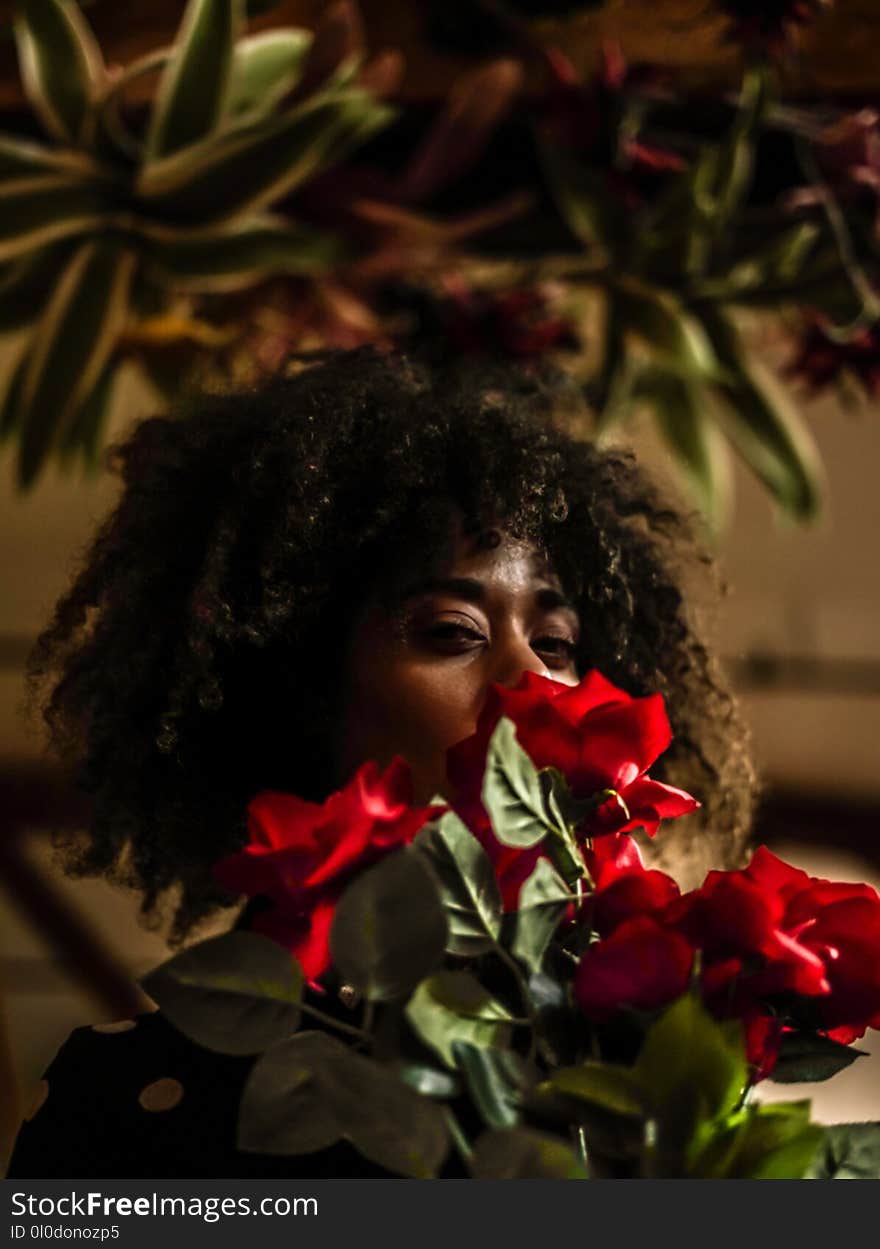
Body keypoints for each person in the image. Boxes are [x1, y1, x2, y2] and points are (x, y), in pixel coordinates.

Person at [6, 347, 755, 1177]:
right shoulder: (127, 1100)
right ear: (300, 687)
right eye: (452, 633)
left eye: (557, 643)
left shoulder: (646, 1077)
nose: (534, 679)